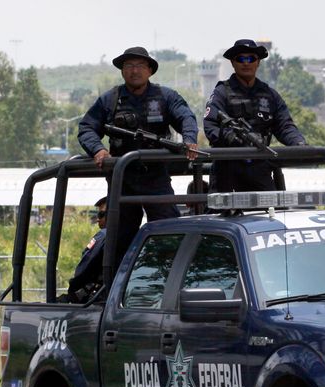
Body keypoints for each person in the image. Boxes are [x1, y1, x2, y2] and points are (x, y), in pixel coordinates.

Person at [77, 46, 199, 266]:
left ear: (150, 70)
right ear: (122, 71)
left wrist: (189, 139)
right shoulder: (110, 100)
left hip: (156, 178)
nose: (134, 71)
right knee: (119, 241)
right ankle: (113, 289)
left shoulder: (165, 97)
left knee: (169, 234)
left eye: (140, 66)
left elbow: (186, 117)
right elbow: (87, 127)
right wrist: (98, 149)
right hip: (123, 179)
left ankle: (167, 285)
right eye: (129, 66)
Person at [203, 39, 306, 192]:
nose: (246, 63)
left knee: (270, 212)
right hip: (228, 168)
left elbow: (285, 126)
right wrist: (229, 137)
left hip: (259, 167)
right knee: (219, 214)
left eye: (251, 58)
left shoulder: (270, 95)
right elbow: (210, 126)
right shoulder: (221, 93)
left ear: (258, 62)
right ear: (233, 62)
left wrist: (299, 144)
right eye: (241, 59)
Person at [60, 197, 107, 303]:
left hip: (97, 298)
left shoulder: (104, 235)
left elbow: (85, 267)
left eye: (101, 215)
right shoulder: (130, 236)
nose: (98, 219)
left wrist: (73, 288)